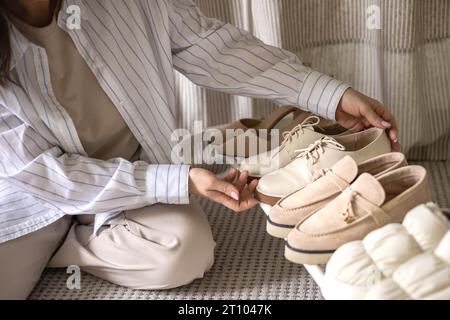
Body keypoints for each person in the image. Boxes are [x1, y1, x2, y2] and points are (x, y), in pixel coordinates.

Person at [0, 0, 399, 299]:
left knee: (185, 252)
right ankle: (64, 245)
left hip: (135, 165)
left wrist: (330, 95)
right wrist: (180, 180)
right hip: (30, 194)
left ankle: (73, 239)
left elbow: (209, 46)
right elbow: (41, 174)